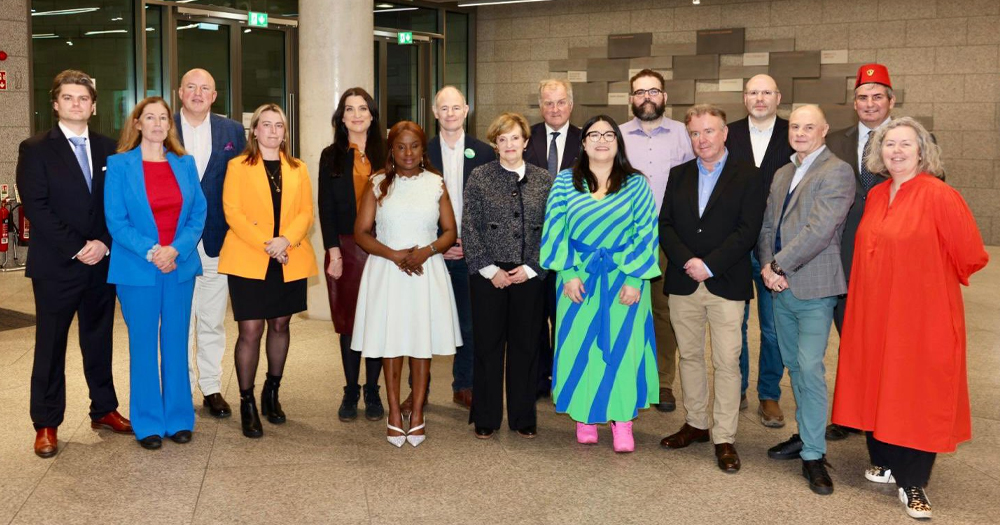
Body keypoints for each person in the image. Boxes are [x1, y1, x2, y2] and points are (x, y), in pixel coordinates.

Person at [832, 118, 988, 520]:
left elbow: (971, 254)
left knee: (918, 390)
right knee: (876, 380)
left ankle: (913, 481)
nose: (896, 151)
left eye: (905, 144)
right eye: (889, 144)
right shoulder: (878, 193)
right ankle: (883, 460)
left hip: (922, 314)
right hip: (874, 311)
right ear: (879, 153)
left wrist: (923, 278)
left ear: (922, 151)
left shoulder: (940, 195)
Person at [16, 70, 133, 458]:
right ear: (55, 103)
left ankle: (104, 409)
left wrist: (103, 243)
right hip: (57, 265)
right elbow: (37, 206)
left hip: (101, 262)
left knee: (99, 340)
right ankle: (46, 423)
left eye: (83, 98)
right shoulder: (34, 148)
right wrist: (79, 246)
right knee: (51, 344)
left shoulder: (110, 148)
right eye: (68, 98)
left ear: (94, 105)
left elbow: (119, 204)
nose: (76, 104)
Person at [540, 114, 660, 453]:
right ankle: (585, 416)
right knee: (581, 348)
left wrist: (636, 277)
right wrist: (567, 273)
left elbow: (646, 231)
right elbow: (555, 228)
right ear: (583, 142)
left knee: (622, 350)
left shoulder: (636, 183)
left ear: (618, 142)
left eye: (609, 134)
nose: (602, 140)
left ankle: (622, 422)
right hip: (578, 279)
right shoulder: (565, 182)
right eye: (594, 134)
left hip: (625, 279)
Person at [658, 105, 765, 473]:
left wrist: (710, 264)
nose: (702, 139)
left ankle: (724, 436)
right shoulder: (679, 174)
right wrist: (689, 261)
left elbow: (747, 230)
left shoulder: (749, 176)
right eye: (695, 133)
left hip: (726, 281)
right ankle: (697, 424)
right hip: (684, 281)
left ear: (724, 133)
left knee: (726, 361)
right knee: (688, 357)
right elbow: (666, 224)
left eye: (709, 131)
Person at [758, 105, 854, 495]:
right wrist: (767, 266)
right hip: (780, 286)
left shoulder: (837, 171)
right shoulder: (784, 172)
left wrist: (778, 267)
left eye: (808, 127)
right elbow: (768, 226)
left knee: (811, 368)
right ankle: (805, 434)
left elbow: (820, 230)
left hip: (814, 287)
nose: (800, 132)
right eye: (795, 126)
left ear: (824, 130)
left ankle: (814, 453)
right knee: (794, 366)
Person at [104, 96, 207, 450]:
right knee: (144, 343)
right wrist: (152, 251)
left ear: (169, 125)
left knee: (176, 341)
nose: (158, 123)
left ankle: (179, 418)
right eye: (150, 117)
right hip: (138, 268)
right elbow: (116, 221)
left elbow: (198, 214)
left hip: (178, 266)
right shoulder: (119, 166)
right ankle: (147, 421)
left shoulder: (185, 163)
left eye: (163, 118)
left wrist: (176, 248)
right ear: (137, 124)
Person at [351, 121, 462, 448]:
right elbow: (361, 233)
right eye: (401, 147)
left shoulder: (436, 183)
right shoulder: (377, 183)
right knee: (392, 343)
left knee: (420, 343)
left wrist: (425, 252)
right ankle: (393, 415)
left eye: (414, 146)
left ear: (422, 149)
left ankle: (416, 412)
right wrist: (395, 255)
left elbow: (449, 232)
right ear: (392, 150)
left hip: (426, 271)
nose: (408, 152)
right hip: (388, 271)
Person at [218, 103, 318, 438]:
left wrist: (286, 240)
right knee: (250, 331)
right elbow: (232, 212)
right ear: (255, 131)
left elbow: (306, 212)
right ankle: (247, 402)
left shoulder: (298, 168)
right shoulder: (238, 166)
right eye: (266, 125)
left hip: (288, 256)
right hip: (250, 256)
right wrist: (268, 244)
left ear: (285, 133)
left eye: (279, 126)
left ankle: (271, 392)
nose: (273, 131)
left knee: (280, 324)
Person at [463, 112, 553, 439]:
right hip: (489, 275)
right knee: (487, 346)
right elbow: (469, 226)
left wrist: (531, 267)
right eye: (502, 139)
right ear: (495, 144)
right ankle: (486, 416)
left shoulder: (544, 179)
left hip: (529, 274)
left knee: (525, 346)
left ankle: (523, 416)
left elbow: (553, 229)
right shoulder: (480, 177)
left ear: (526, 142)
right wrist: (490, 269)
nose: (509, 144)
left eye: (515, 137)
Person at [824, 63, 896, 442]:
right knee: (850, 341)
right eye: (863, 98)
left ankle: (884, 413)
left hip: (891, 261)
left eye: (877, 97)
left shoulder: (910, 138)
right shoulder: (835, 140)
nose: (870, 104)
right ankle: (850, 414)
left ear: (891, 100)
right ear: (854, 103)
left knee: (885, 343)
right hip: (843, 256)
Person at [620, 69, 695, 413]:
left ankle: (662, 381)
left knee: (664, 311)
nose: (646, 97)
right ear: (631, 99)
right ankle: (626, 374)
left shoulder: (683, 135)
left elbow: (696, 185)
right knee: (624, 306)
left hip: (669, 236)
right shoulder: (616, 136)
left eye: (653, 91)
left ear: (665, 96)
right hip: (624, 237)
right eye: (639, 92)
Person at [174, 68, 247, 419]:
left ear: (215, 96)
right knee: (179, 317)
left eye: (205, 88)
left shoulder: (232, 131)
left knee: (213, 319)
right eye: (191, 87)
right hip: (174, 242)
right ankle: (182, 386)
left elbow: (245, 182)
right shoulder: (163, 126)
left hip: (218, 239)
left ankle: (212, 387)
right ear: (179, 92)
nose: (198, 93)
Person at [418, 85, 495, 411]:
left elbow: (492, 206)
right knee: (421, 323)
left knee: (469, 323)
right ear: (435, 113)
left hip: (470, 251)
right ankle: (418, 389)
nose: (450, 113)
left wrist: (468, 243)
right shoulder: (420, 151)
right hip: (430, 250)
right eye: (443, 108)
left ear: (466, 110)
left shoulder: (484, 152)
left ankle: (464, 384)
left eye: (456, 107)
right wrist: (440, 242)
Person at [724, 74, 793, 427]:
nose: (760, 98)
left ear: (778, 96)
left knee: (773, 326)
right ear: (744, 97)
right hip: (736, 244)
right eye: (753, 92)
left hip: (776, 247)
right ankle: (735, 388)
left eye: (766, 91)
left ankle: (769, 394)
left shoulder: (793, 133)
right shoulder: (727, 132)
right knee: (734, 322)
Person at [318, 87, 387, 422]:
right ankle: (350, 389)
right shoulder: (331, 155)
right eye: (350, 109)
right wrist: (333, 251)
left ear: (372, 115)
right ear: (341, 117)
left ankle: (373, 389)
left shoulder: (388, 153)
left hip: (384, 248)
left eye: (363, 109)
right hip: (346, 247)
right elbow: (325, 208)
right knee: (349, 321)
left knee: (377, 319)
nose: (357, 115)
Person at [524, 78, 582, 399]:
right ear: (540, 105)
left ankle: (565, 375)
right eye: (548, 103)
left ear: (570, 105)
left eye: (560, 102)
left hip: (571, 247)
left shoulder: (586, 139)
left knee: (565, 315)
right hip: (532, 245)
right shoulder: (526, 137)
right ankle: (539, 379)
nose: (555, 109)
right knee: (534, 317)